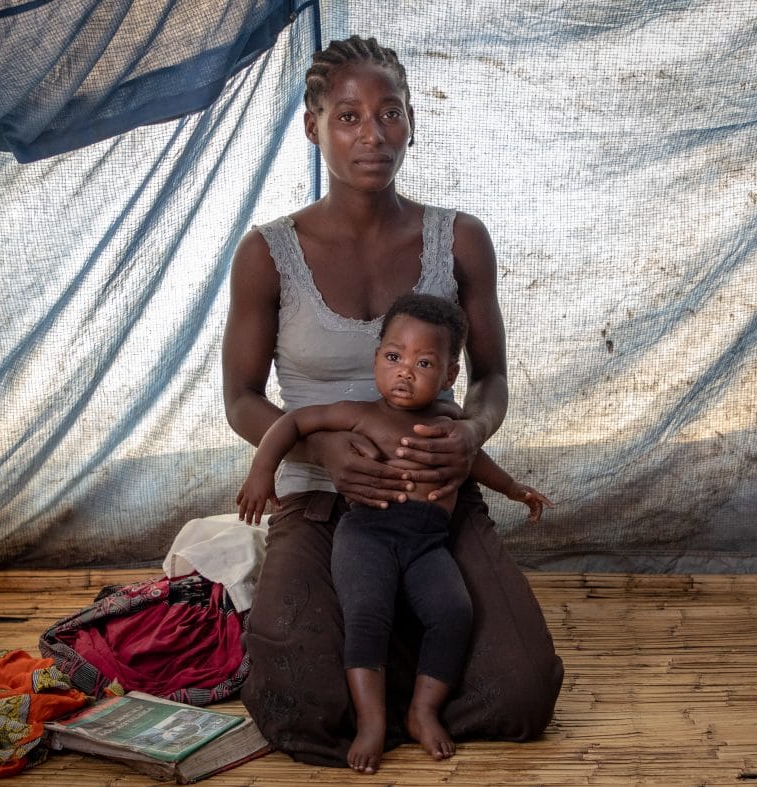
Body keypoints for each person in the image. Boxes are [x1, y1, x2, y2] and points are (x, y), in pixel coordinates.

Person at [221, 33, 564, 769]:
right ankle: (383, 655)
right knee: (297, 707)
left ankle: (395, 671)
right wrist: (325, 449)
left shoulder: (460, 239)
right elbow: (241, 398)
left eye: (390, 114)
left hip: (434, 498)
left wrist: (469, 432)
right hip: (317, 499)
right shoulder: (267, 252)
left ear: (412, 123)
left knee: (524, 692)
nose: (372, 135)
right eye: (347, 117)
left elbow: (492, 379)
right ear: (311, 127)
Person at [236, 293, 551, 772]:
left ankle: (423, 710)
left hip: (428, 543)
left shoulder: (451, 425)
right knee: (367, 613)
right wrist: (263, 470)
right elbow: (296, 421)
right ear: (376, 359)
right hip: (367, 536)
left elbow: (477, 463)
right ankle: (371, 722)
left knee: (453, 612)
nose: (405, 371)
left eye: (424, 362)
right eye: (393, 357)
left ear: (448, 376)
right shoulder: (364, 414)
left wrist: (514, 489)